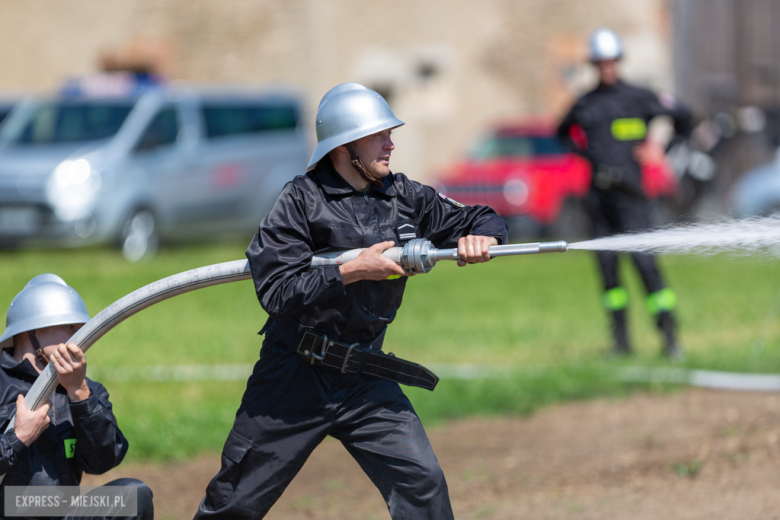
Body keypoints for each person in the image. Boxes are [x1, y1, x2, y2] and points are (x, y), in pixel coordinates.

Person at [194, 83, 508, 519]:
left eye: (390, 133)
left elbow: (479, 216)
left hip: (365, 376)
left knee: (423, 484)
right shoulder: (300, 201)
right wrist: (351, 270)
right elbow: (276, 290)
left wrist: (482, 236)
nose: (391, 143)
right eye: (379, 134)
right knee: (234, 503)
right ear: (344, 144)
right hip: (293, 376)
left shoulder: (404, 196)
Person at [557, 28, 691, 358]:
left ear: (618, 61)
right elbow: (559, 133)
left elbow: (685, 118)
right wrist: (587, 156)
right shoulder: (585, 103)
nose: (607, 68)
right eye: (600, 62)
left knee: (646, 267)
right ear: (594, 65)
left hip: (632, 198)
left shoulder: (639, 97)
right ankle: (621, 342)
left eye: (611, 61)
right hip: (599, 201)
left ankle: (669, 335)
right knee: (608, 272)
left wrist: (661, 147)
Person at [0, 274, 154, 520]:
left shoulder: (85, 389)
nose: (81, 335)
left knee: (133, 496)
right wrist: (18, 438)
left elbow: (102, 461)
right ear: (33, 330)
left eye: (80, 327)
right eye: (69, 326)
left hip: (61, 513)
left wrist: (80, 394)